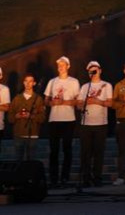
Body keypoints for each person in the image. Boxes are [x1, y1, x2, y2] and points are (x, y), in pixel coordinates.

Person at [44, 55, 81, 187]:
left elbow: (78, 101)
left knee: (67, 149)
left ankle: (65, 177)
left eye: (63, 65)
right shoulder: (52, 81)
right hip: (54, 119)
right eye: (59, 65)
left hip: (68, 119)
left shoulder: (74, 82)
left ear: (68, 66)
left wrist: (64, 102)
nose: (60, 67)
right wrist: (51, 103)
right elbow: (46, 100)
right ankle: (53, 178)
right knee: (54, 150)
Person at [77, 61, 112, 187]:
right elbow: (78, 105)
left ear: (100, 71)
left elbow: (110, 103)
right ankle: (86, 178)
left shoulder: (106, 85)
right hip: (86, 124)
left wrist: (97, 101)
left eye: (95, 70)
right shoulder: (85, 87)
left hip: (101, 123)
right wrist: (85, 103)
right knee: (85, 152)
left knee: (98, 152)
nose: (93, 72)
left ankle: (97, 177)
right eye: (91, 71)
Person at [9, 73, 46, 161]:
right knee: (18, 160)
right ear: (23, 82)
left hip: (32, 134)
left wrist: (31, 116)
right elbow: (9, 117)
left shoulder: (38, 99)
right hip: (19, 134)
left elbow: (42, 118)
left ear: (34, 83)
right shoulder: (17, 98)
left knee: (31, 161)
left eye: (30, 81)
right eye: (26, 81)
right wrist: (16, 116)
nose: (28, 83)